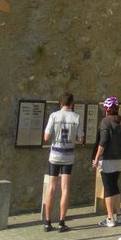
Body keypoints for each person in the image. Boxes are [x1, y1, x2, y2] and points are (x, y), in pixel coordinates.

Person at [43, 92, 84, 232]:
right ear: (72, 103)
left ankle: (47, 222)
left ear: (60, 103)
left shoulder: (54, 116)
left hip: (55, 154)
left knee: (51, 187)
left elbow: (46, 137)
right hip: (68, 155)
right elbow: (80, 139)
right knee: (65, 188)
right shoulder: (77, 117)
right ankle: (61, 222)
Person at [92, 95, 121, 228]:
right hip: (118, 158)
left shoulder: (105, 122)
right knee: (115, 186)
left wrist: (96, 159)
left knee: (108, 188)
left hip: (107, 159)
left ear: (107, 109)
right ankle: (119, 215)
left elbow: (103, 142)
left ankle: (109, 218)